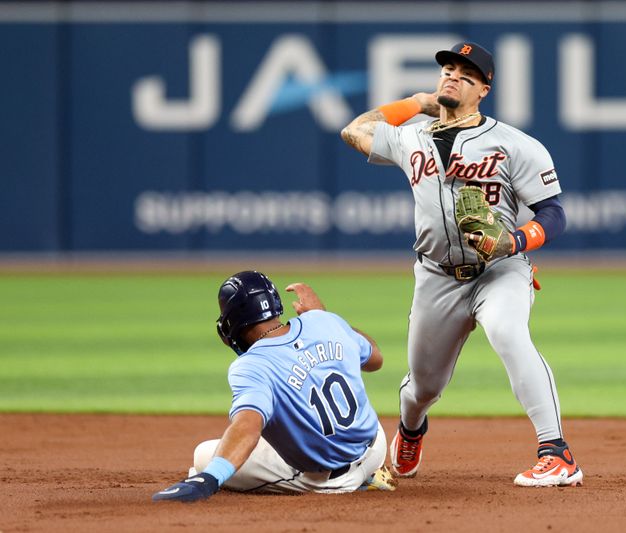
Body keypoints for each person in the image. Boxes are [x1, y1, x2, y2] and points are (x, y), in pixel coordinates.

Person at [340, 41, 582, 487]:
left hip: (500, 271)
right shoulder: (411, 134)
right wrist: (415, 103)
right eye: (447, 70)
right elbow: (354, 130)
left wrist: (515, 240)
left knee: (509, 334)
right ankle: (412, 430)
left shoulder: (514, 144)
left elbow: (554, 213)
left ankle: (557, 452)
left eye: (465, 75)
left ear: (484, 89)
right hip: (435, 276)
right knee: (421, 389)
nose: (452, 76)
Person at [153, 271, 395, 501]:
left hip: (330, 478)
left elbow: (248, 426)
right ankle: (369, 472)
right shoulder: (324, 321)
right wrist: (324, 317)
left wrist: (208, 479)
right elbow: (376, 359)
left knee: (204, 456)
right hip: (375, 445)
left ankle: (358, 481)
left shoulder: (252, 365)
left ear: (231, 323)